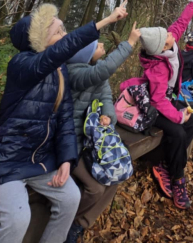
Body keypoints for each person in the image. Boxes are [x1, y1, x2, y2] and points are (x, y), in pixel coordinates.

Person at [0, 3, 128, 243]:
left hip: (40, 161)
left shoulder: (60, 71)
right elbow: (58, 52)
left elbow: (64, 118)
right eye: (58, 32)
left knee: (71, 198)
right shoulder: (22, 64)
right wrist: (106, 21)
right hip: (7, 160)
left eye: (64, 30)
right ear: (39, 39)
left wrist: (66, 159)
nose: (64, 36)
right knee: (18, 219)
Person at [65, 23, 141, 243]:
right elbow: (103, 71)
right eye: (96, 45)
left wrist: (108, 115)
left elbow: (106, 96)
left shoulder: (96, 70)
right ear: (85, 54)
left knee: (115, 175)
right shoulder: (75, 73)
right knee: (96, 189)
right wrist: (129, 43)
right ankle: (66, 222)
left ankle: (80, 223)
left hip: (92, 141)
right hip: (71, 145)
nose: (102, 46)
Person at [126, 0, 193, 210]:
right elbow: (158, 101)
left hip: (168, 98)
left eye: (166, 32)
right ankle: (177, 179)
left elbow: (181, 22)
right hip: (152, 105)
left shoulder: (170, 39)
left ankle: (168, 165)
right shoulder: (157, 68)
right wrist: (178, 117)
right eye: (166, 36)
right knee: (178, 132)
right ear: (162, 48)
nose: (170, 33)